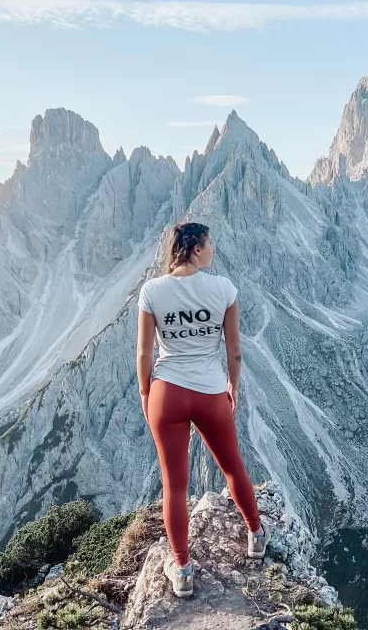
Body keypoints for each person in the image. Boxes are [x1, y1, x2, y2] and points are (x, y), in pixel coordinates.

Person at [136, 221, 269, 598]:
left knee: (174, 486)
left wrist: (147, 394)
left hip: (167, 392)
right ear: (195, 248)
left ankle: (182, 569)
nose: (214, 249)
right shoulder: (223, 289)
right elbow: (235, 351)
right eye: (210, 243)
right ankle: (256, 535)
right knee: (232, 467)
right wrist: (233, 387)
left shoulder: (152, 291)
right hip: (211, 392)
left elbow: (145, 353)